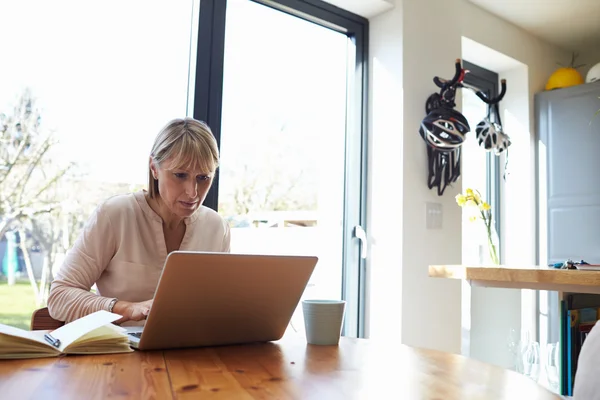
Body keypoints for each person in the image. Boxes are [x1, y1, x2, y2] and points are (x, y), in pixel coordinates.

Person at [47, 117, 230, 325]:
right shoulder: (115, 215)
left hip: (190, 353)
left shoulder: (217, 228)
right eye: (180, 175)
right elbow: (59, 297)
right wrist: (125, 308)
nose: (192, 192)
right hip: (121, 353)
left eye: (203, 178)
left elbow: (219, 309)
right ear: (154, 168)